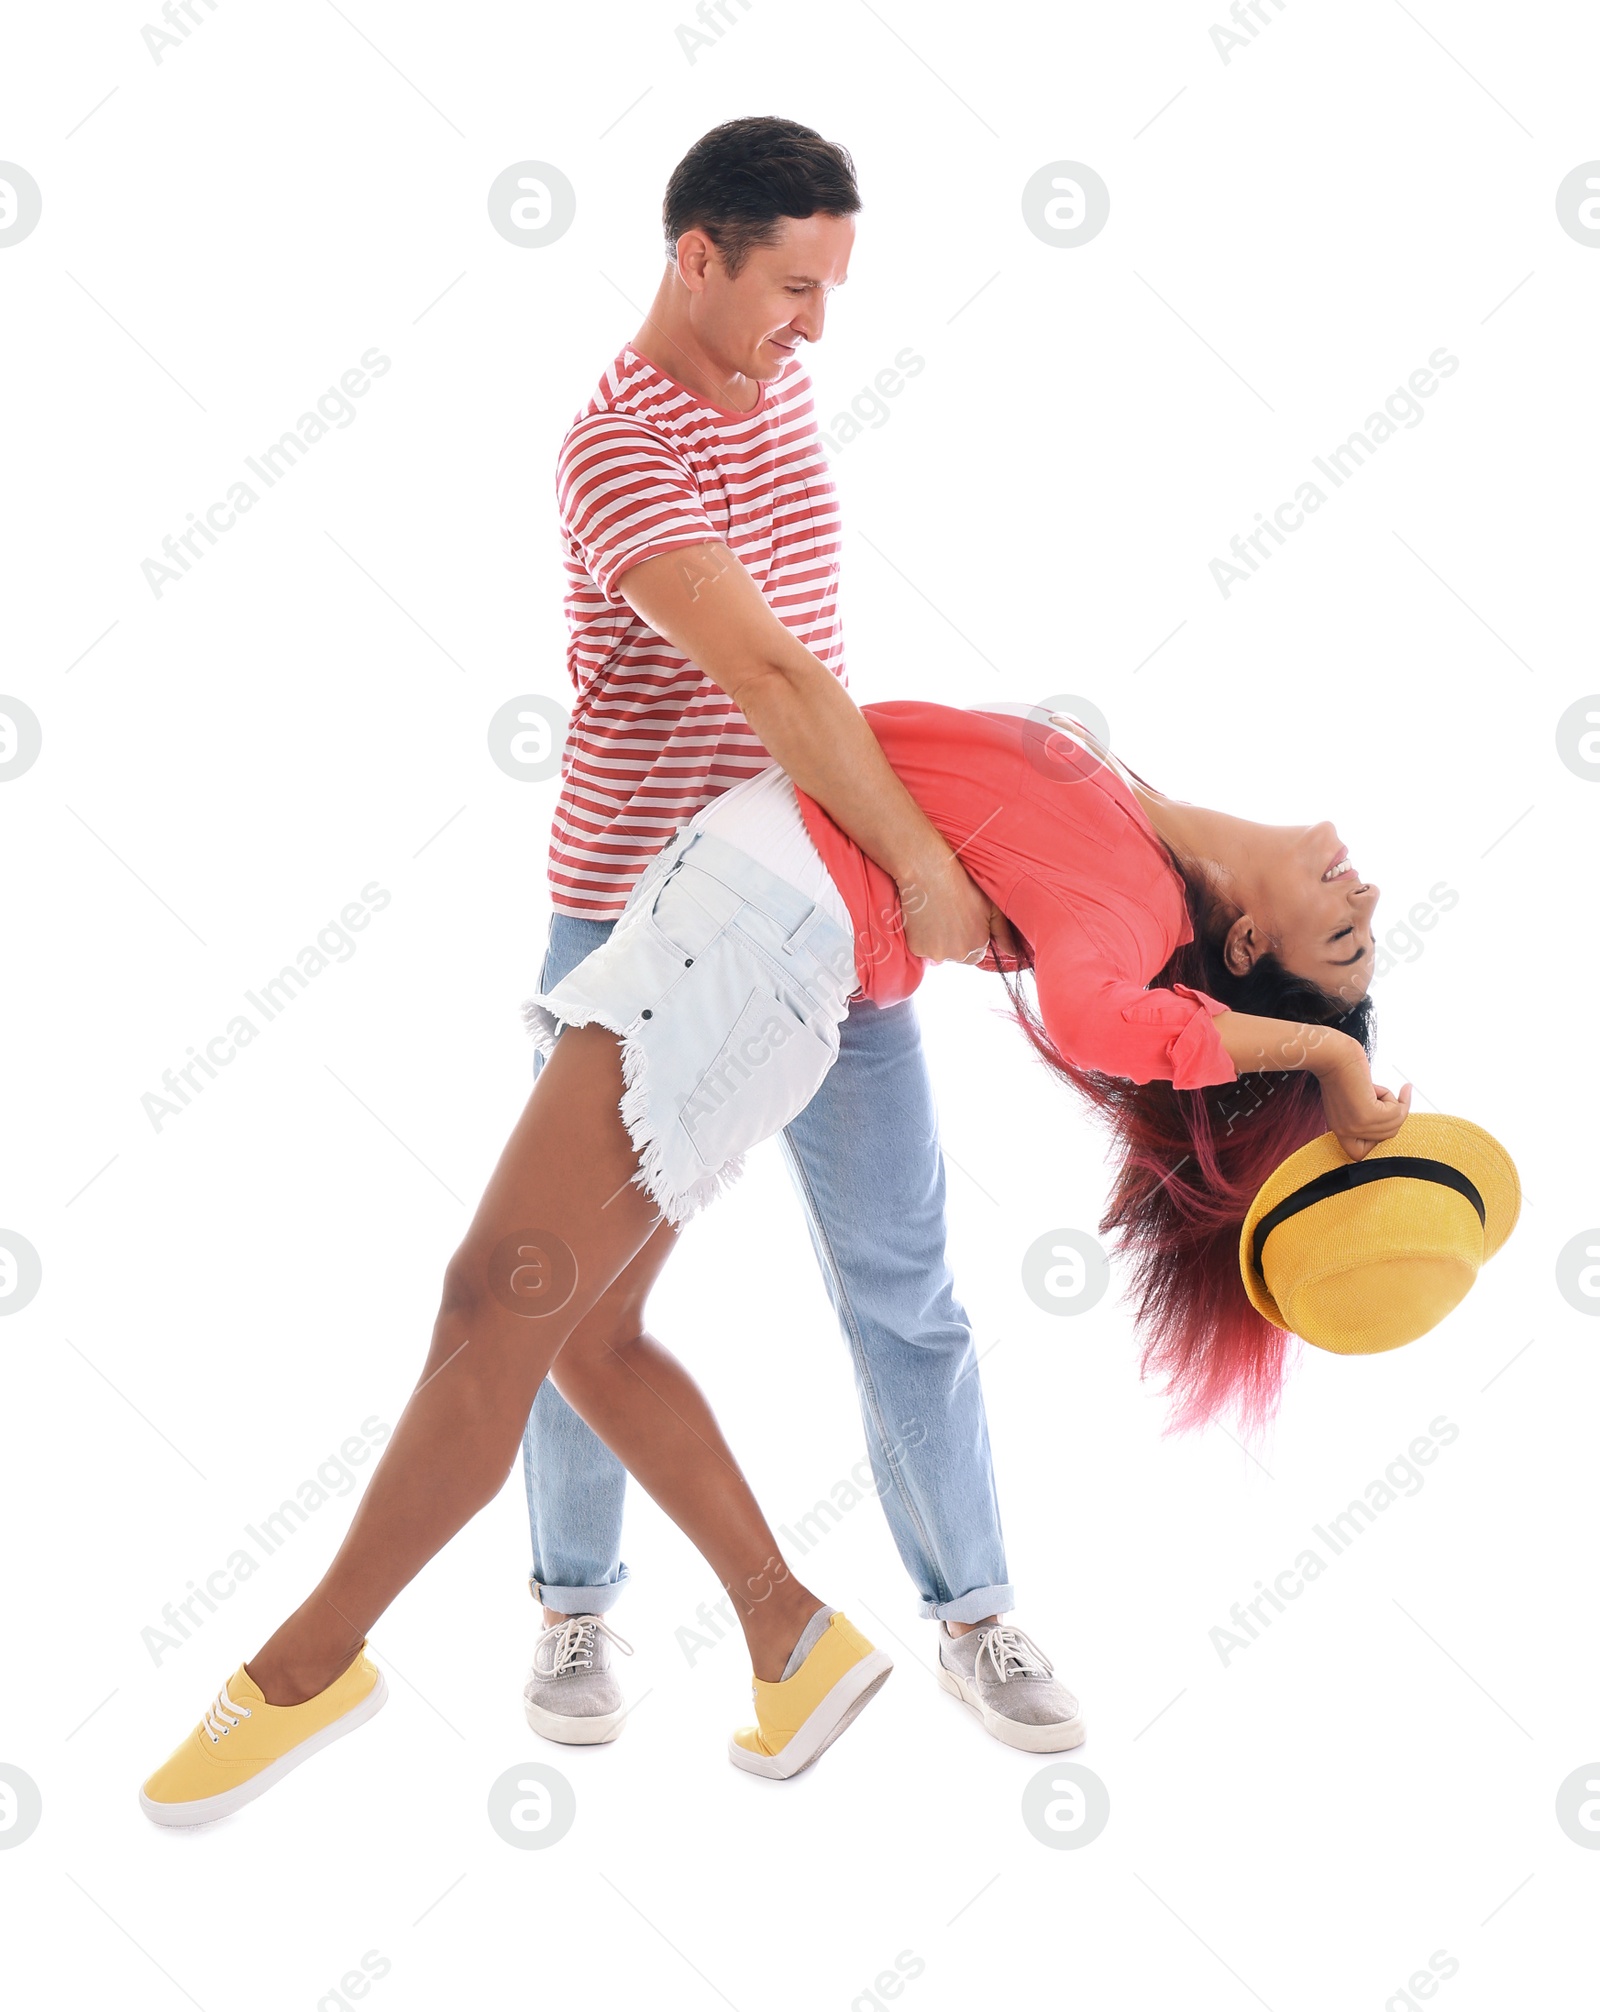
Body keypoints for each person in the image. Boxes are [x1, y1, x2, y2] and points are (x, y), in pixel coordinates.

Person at [138, 696, 1408, 1826]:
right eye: (1364, 927)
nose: (1365, 902)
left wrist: (1328, 1059)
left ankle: (303, 1666)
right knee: (583, 1328)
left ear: (1245, 952)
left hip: (744, 950)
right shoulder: (1130, 811)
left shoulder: (1126, 906)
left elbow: (1098, 1015)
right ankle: (786, 1634)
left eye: (1343, 943)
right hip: (728, 928)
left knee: (495, 1303)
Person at [518, 113, 1078, 1758]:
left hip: (818, 916)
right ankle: (572, 1607)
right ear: (695, 255)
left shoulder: (780, 384)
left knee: (905, 1281)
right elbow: (772, 676)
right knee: (583, 1285)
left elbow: (813, 675)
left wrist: (898, 857)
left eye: (835, 288)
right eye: (795, 286)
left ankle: (976, 1618)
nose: (821, 326)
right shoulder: (619, 449)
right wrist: (922, 861)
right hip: (635, 923)